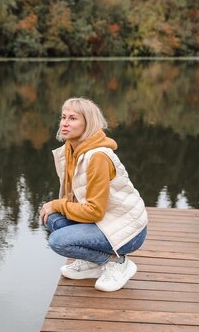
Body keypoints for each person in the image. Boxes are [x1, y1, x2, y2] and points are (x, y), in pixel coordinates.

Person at [39, 97, 148, 292]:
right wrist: (56, 207)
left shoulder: (97, 156)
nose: (64, 123)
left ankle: (116, 262)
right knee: (53, 220)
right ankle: (93, 264)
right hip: (105, 222)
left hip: (127, 231)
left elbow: (95, 211)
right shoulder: (72, 149)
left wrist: (57, 204)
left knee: (58, 241)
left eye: (73, 118)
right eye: (63, 117)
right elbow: (76, 199)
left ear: (87, 124)